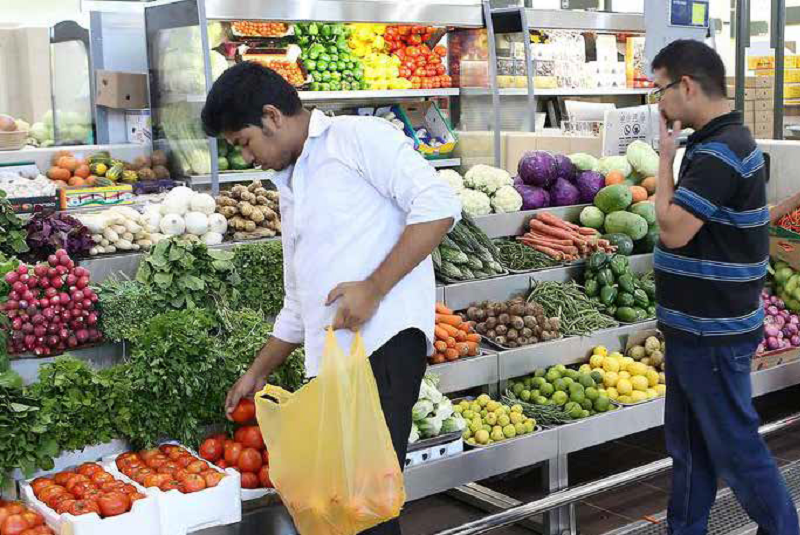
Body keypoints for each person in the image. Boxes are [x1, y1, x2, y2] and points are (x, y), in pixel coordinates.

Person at [202, 62, 461, 535]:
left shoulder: (358, 138)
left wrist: (374, 287)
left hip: (383, 346)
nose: (246, 157)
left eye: (244, 142)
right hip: (335, 361)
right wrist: (257, 372)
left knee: (370, 506)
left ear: (272, 116)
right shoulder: (290, 182)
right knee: (344, 504)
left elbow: (439, 205)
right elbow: (300, 301)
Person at [652, 39, 799, 535]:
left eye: (660, 89)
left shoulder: (719, 151)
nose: (659, 103)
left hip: (711, 334)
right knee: (690, 449)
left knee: (736, 449)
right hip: (697, 329)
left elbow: (673, 231)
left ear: (687, 85)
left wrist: (664, 158)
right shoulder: (724, 143)